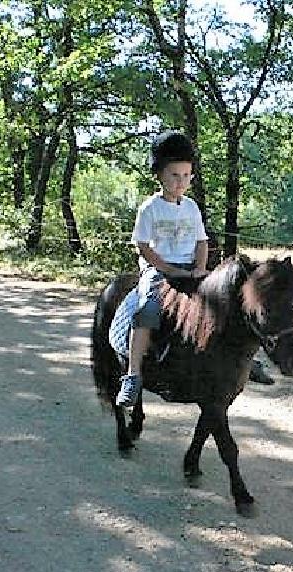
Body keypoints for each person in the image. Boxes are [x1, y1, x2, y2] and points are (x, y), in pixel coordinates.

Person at [116, 131, 209, 407]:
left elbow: (202, 242)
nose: (180, 182)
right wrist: (170, 270)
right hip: (158, 270)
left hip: (190, 268)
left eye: (186, 175)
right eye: (174, 175)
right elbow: (143, 247)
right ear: (160, 175)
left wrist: (201, 269)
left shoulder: (191, 207)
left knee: (222, 302)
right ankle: (132, 375)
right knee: (147, 309)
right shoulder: (150, 208)